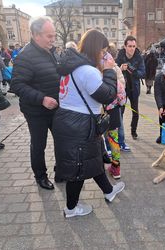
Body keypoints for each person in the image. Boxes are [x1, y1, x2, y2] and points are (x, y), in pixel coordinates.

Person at [53, 29, 125, 218]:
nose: (104, 55)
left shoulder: (71, 68)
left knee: (92, 159)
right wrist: (109, 70)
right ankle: (70, 209)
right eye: (102, 52)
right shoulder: (88, 71)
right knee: (78, 169)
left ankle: (109, 191)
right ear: (96, 49)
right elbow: (108, 96)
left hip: (69, 121)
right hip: (80, 125)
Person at [10, 16, 60, 190]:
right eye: (49, 36)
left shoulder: (51, 51)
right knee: (39, 144)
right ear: (35, 35)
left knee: (61, 140)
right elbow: (16, 85)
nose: (53, 39)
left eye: (54, 35)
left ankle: (60, 170)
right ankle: (40, 176)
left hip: (55, 108)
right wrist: (42, 99)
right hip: (36, 111)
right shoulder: (25, 56)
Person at [116, 35, 145, 140]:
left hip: (134, 88)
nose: (132, 48)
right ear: (125, 46)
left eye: (133, 46)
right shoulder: (119, 57)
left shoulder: (139, 57)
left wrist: (132, 70)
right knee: (121, 112)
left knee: (135, 111)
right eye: (129, 46)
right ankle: (120, 133)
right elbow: (113, 71)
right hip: (122, 89)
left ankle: (133, 131)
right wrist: (120, 68)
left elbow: (143, 73)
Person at [105, 43, 127, 179]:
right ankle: (116, 168)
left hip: (98, 112)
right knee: (114, 140)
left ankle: (100, 167)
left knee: (99, 140)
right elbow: (122, 95)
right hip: (113, 111)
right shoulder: (115, 72)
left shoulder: (94, 70)